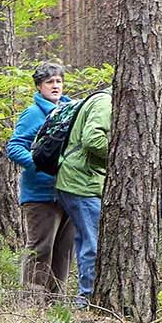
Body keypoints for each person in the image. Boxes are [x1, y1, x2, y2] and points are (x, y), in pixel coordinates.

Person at [5, 62, 74, 296]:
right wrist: (40, 165)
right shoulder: (33, 113)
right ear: (39, 86)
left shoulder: (72, 110)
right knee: (41, 248)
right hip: (40, 193)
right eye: (50, 82)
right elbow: (14, 147)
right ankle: (32, 300)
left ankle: (56, 300)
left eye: (59, 81)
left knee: (64, 249)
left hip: (69, 191)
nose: (55, 86)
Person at [54, 87, 111, 307]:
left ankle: (84, 296)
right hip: (82, 182)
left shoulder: (99, 101)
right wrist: (120, 153)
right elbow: (93, 140)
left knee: (84, 239)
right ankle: (87, 299)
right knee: (93, 242)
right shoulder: (105, 103)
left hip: (76, 179)